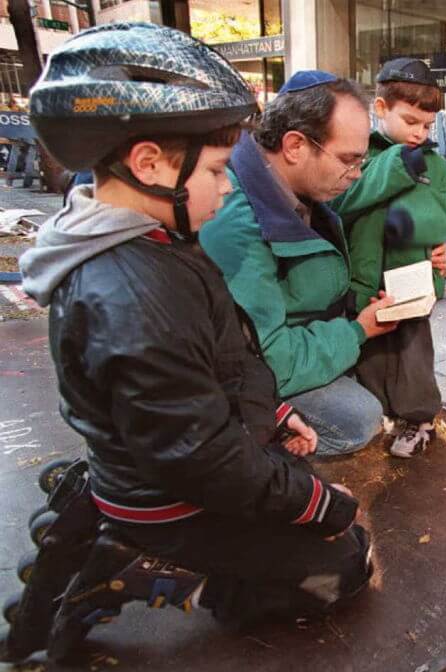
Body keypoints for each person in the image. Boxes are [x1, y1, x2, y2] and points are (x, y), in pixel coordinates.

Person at [19, 23, 372, 635]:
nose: (229, 184)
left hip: (167, 461)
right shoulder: (130, 292)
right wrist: (318, 504)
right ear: (149, 163)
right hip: (166, 499)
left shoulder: (158, 241)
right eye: (214, 170)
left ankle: (119, 530)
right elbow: (202, 457)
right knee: (346, 563)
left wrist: (274, 414)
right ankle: (144, 567)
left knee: (307, 496)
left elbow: (226, 352)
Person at [199, 70, 421, 456]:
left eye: (361, 163)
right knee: (357, 419)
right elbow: (264, 360)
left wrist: (420, 251)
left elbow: (349, 229)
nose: (354, 176)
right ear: (295, 146)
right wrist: (355, 333)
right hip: (243, 372)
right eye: (349, 162)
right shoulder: (233, 218)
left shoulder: (296, 183)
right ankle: (247, 451)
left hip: (305, 333)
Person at [338, 58, 446, 457]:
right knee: (372, 352)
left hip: (412, 278)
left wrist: (417, 228)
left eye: (428, 126)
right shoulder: (359, 157)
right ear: (380, 109)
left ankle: (419, 418)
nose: (419, 133)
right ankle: (382, 412)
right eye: (411, 121)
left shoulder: (429, 159)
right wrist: (396, 165)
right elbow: (344, 201)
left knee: (412, 353)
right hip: (363, 278)